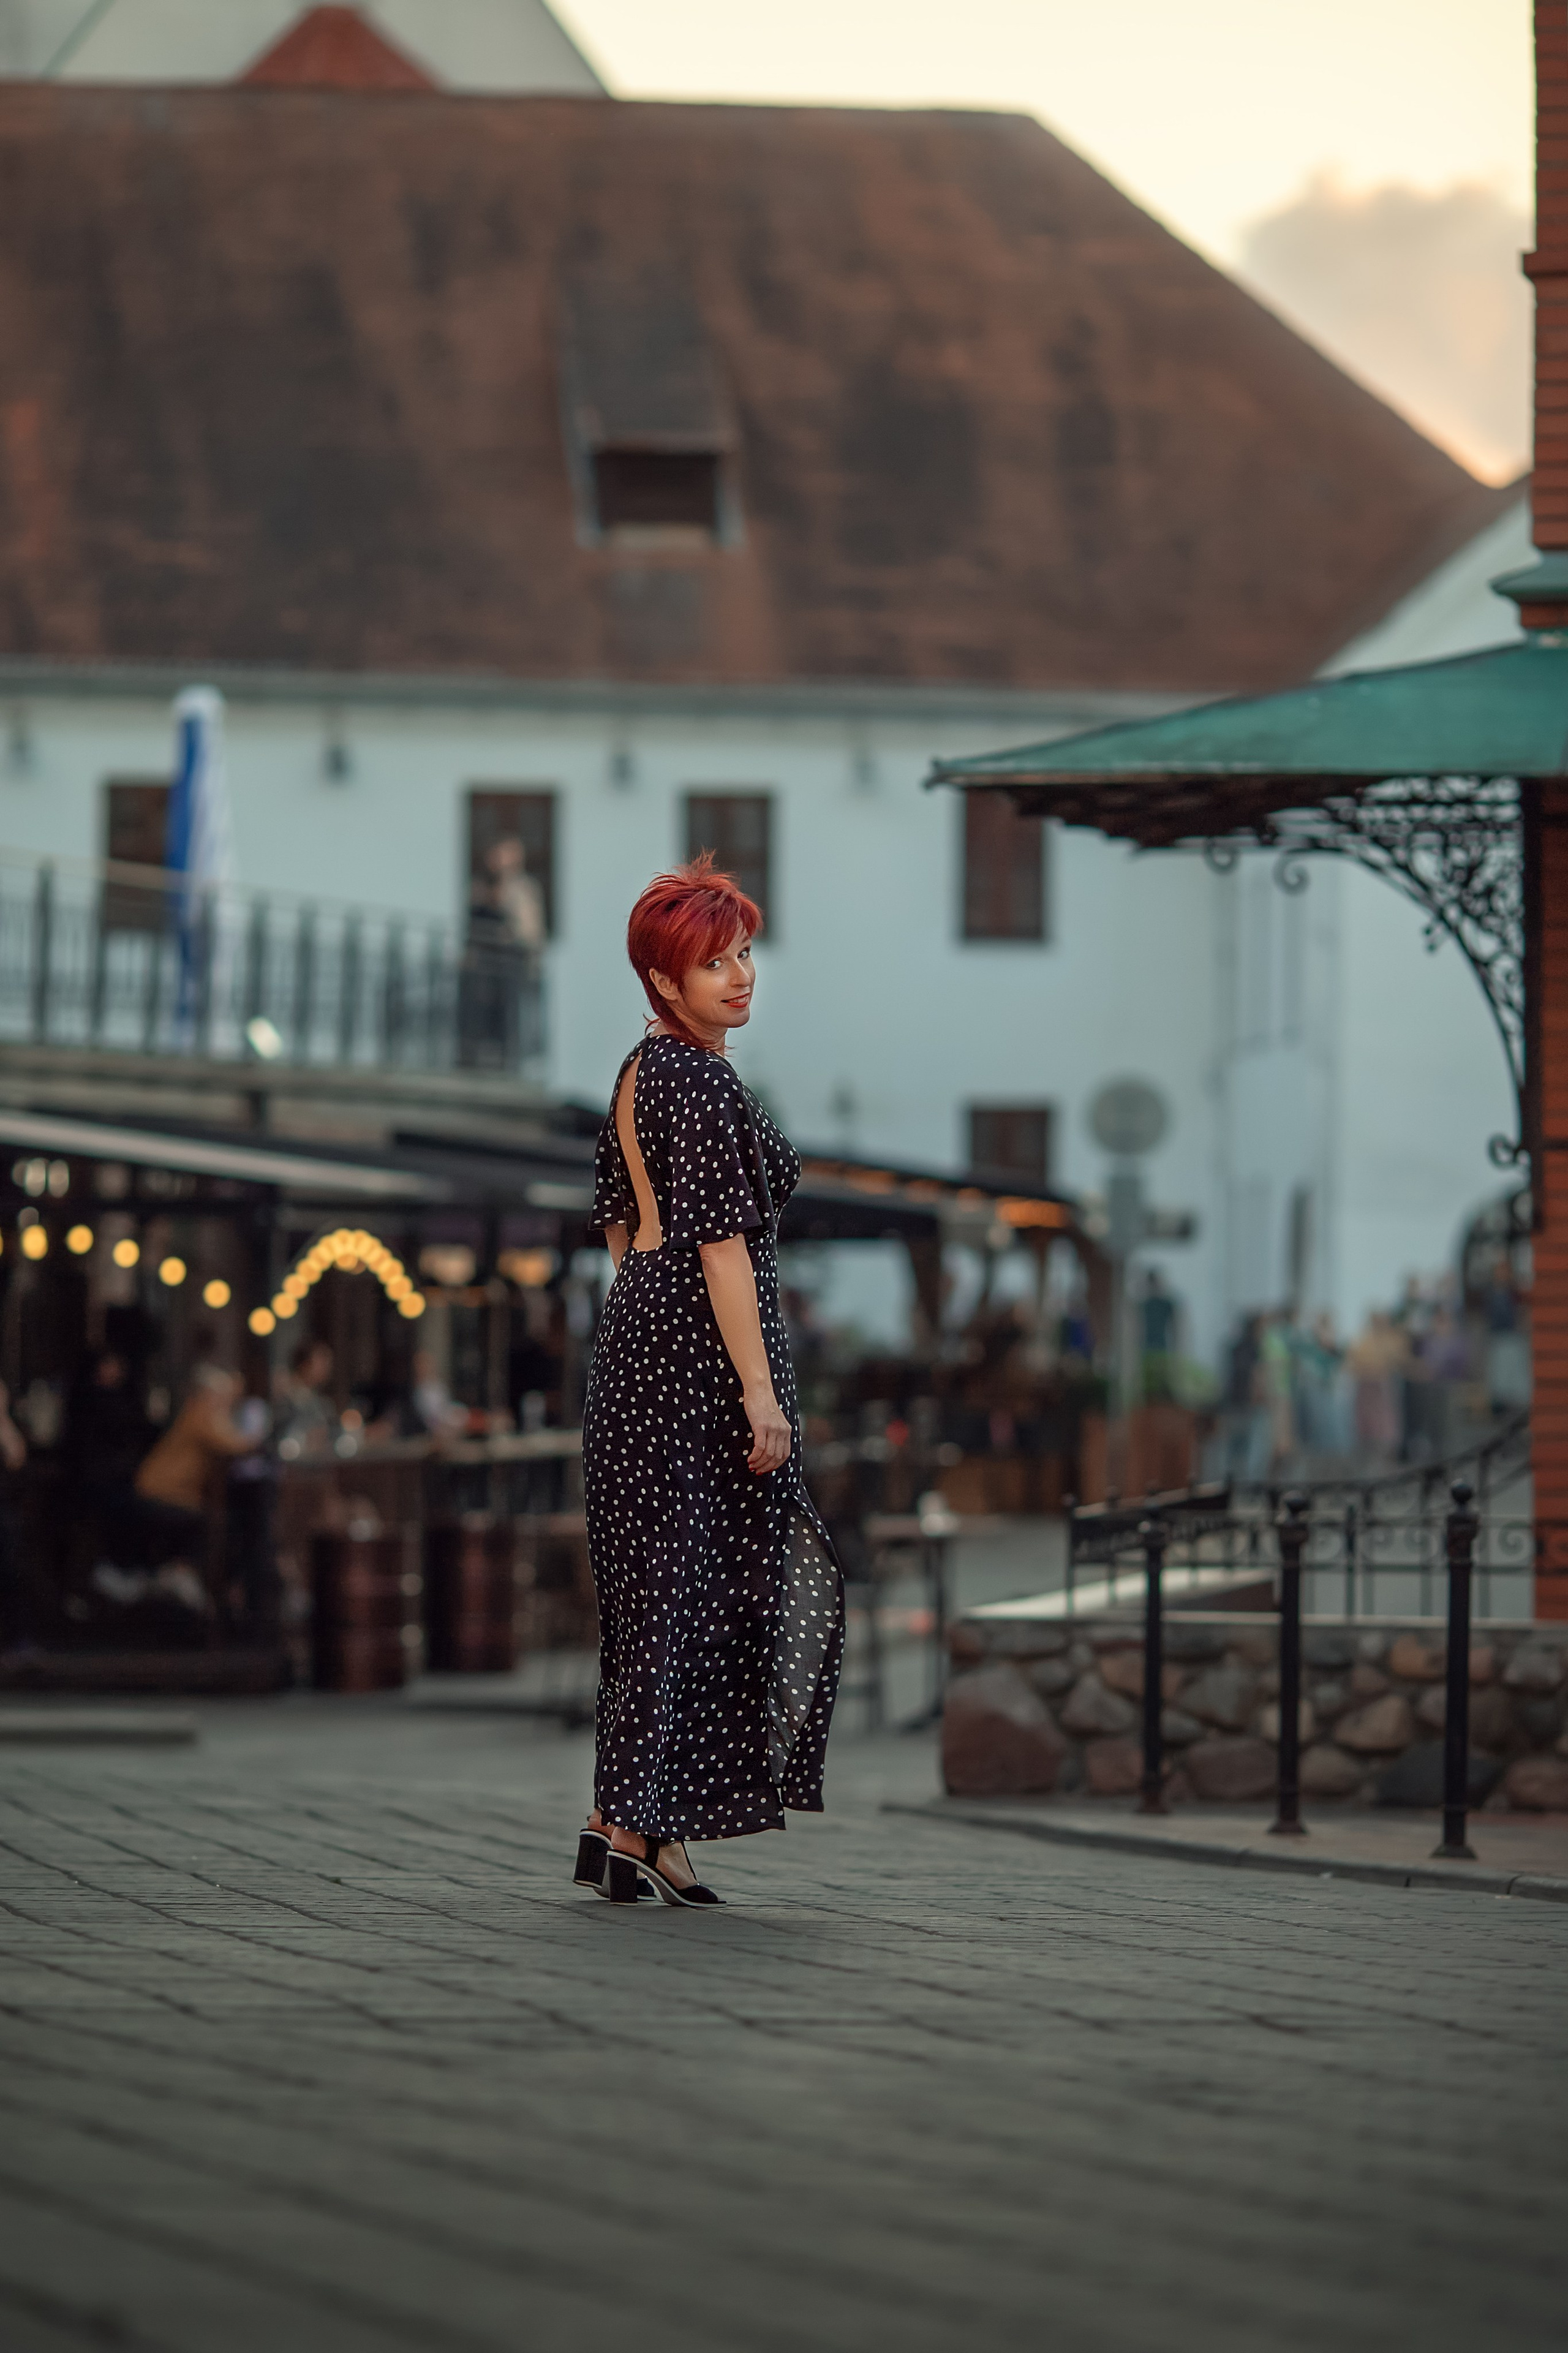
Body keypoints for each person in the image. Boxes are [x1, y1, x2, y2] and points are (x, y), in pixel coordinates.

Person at [578, 853, 845, 1907]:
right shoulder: (699, 1079)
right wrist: (759, 1393)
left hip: (642, 1339)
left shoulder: (640, 1075)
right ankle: (640, 1825)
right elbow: (724, 1248)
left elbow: (618, 1221)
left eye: (743, 954)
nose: (740, 976)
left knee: (652, 1594)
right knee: (699, 1590)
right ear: (663, 980)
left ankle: (625, 1824)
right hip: (697, 1364)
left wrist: (655, 1318)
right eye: (713, 962)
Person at [130, 1364, 260, 1609]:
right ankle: (182, 1574)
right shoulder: (201, 1413)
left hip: (175, 1495)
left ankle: (187, 1576)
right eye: (223, 1395)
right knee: (219, 1524)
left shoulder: (206, 1414)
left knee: (222, 1521)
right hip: (160, 1493)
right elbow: (234, 1443)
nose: (227, 1400)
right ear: (208, 1394)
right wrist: (260, 1438)